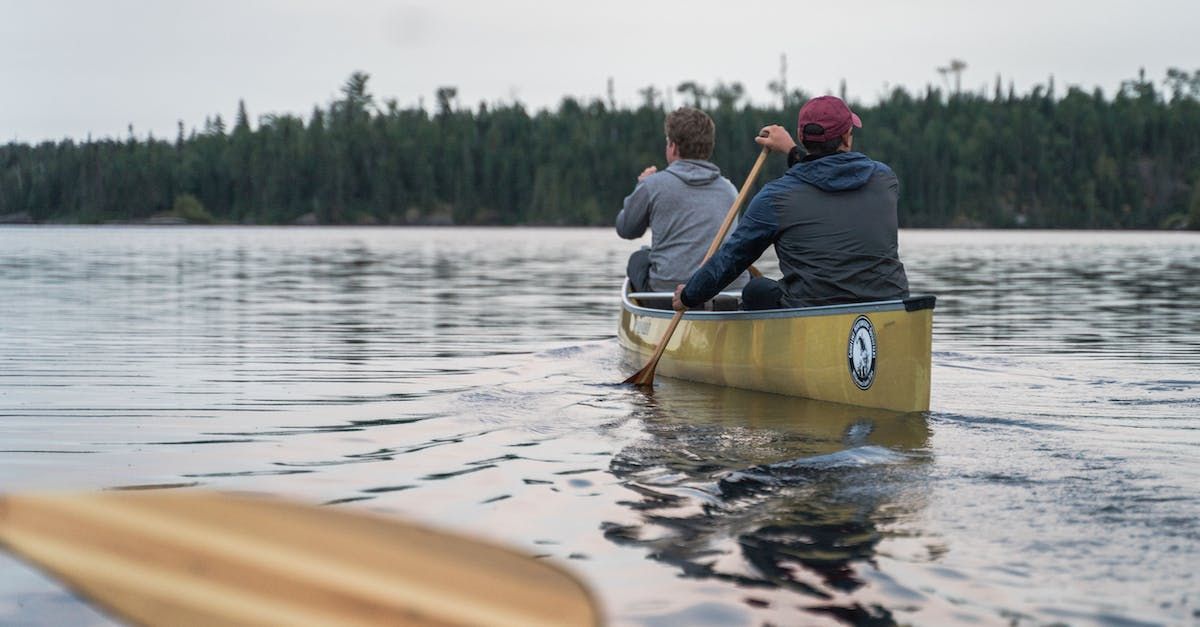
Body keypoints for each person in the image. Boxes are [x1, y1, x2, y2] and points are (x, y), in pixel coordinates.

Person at [672, 95, 909, 312]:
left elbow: (731, 260)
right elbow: (826, 178)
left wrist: (688, 296)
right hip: (888, 311)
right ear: (847, 138)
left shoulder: (775, 198)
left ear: (801, 136)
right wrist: (792, 152)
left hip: (813, 315)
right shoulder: (884, 179)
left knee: (756, 291)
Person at [616, 107, 748, 294]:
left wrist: (641, 187)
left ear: (673, 147)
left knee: (638, 259)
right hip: (726, 291)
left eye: (667, 141)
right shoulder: (730, 190)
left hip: (668, 291)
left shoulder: (652, 185)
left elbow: (626, 229)